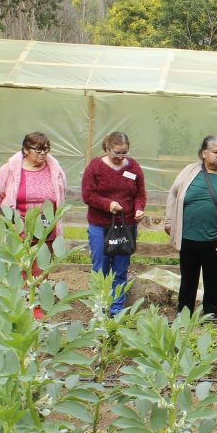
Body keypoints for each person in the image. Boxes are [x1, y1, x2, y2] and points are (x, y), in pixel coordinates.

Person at [166, 135, 217, 319]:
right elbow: (173, 194)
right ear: (204, 153)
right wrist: (169, 221)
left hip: (216, 238)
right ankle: (184, 310)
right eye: (215, 152)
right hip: (188, 236)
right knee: (189, 277)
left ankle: (211, 310)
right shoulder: (189, 171)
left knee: (214, 277)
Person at [0, 132, 67, 318]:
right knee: (20, 267)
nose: (43, 154)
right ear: (25, 150)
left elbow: (61, 193)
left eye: (46, 149)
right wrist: (9, 218)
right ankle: (19, 306)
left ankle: (36, 305)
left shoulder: (54, 169)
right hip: (19, 229)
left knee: (40, 269)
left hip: (46, 229)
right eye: (38, 149)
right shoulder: (9, 170)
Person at [81, 132, 146, 315]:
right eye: (116, 153)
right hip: (100, 226)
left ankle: (116, 309)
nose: (120, 157)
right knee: (100, 268)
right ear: (107, 148)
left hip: (126, 227)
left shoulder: (133, 167)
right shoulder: (95, 167)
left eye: (124, 153)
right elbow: (88, 195)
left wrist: (139, 208)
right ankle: (100, 307)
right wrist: (108, 204)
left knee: (120, 268)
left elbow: (139, 194)